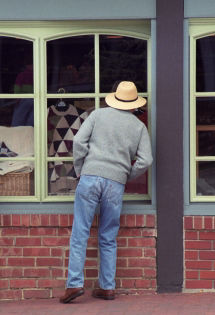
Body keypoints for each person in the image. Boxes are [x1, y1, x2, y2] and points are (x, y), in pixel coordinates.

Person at [59, 81, 153, 303]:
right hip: (115, 183)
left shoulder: (97, 115)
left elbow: (79, 142)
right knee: (108, 236)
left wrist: (82, 169)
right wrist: (125, 174)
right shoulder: (139, 126)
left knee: (80, 232)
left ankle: (74, 285)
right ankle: (107, 287)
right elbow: (146, 160)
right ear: (134, 104)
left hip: (90, 177)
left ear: (115, 97)